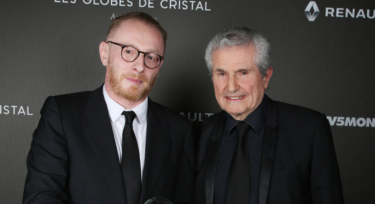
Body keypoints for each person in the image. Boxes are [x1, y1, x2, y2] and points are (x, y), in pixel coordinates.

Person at [23, 12, 195, 204]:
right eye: (128, 51)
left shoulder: (180, 130)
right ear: (105, 53)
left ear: (159, 66)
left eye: (151, 57)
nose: (139, 66)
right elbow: (41, 198)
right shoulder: (62, 115)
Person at [195, 27, 344, 204]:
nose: (232, 86)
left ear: (266, 77)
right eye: (221, 74)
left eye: (243, 73)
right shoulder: (199, 134)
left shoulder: (309, 130)